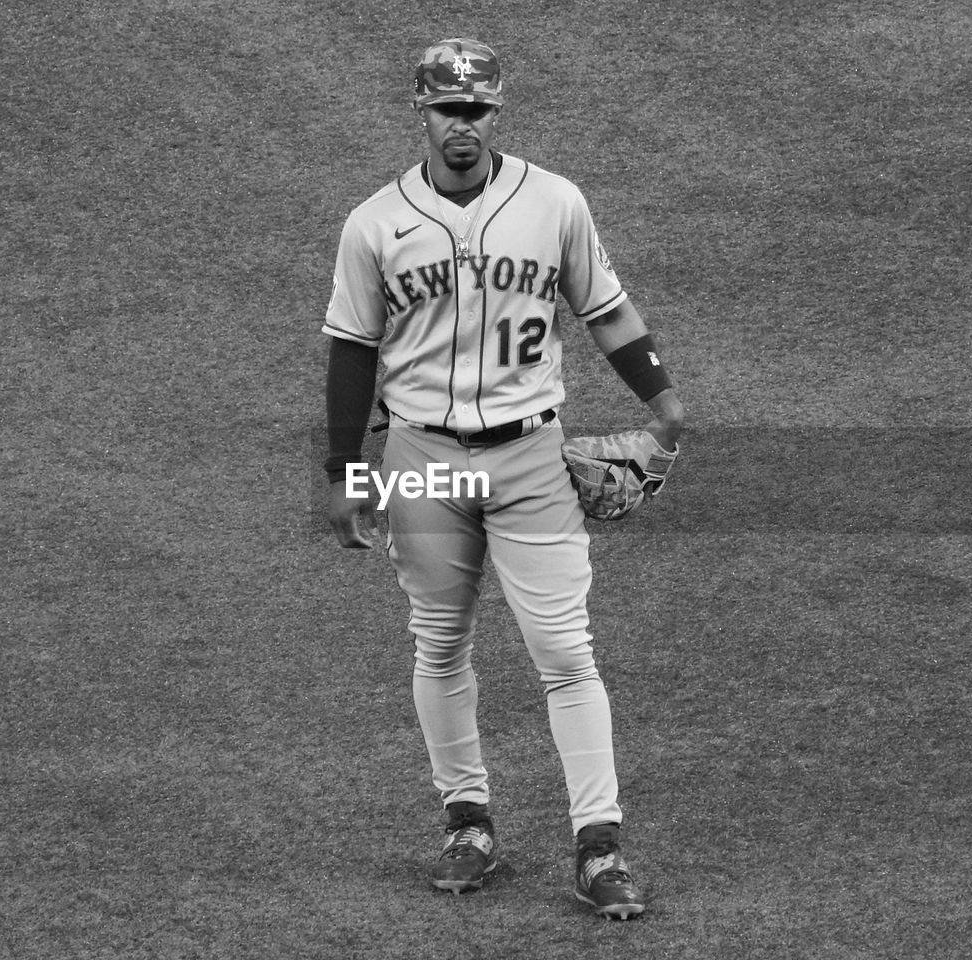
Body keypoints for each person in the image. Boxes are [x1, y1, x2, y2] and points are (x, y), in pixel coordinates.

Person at [321, 38, 684, 920]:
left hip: (531, 456)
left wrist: (662, 397)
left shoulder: (554, 201)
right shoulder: (375, 222)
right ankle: (467, 822)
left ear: (497, 112)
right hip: (416, 460)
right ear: (422, 112)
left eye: (477, 109)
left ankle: (598, 846)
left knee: (565, 651)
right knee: (438, 640)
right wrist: (344, 472)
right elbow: (351, 349)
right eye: (448, 109)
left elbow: (604, 309)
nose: (463, 125)